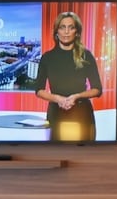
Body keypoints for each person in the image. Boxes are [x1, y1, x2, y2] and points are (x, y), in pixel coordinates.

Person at [33, 11, 103, 141]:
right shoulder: (47, 58)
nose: (66, 32)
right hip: (56, 114)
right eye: (62, 27)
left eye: (71, 28)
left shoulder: (86, 56)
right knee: (56, 152)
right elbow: (39, 90)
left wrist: (76, 96)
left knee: (84, 153)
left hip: (81, 114)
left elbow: (97, 89)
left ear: (76, 32)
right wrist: (57, 99)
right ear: (56, 32)